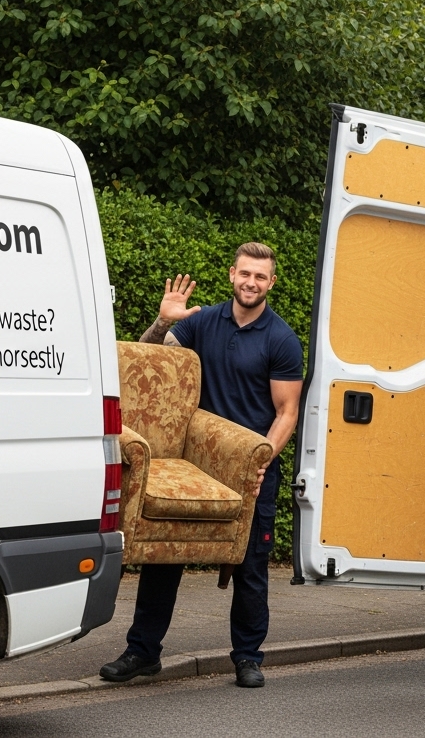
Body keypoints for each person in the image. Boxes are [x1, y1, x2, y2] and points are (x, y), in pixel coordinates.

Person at [100, 242, 304, 688]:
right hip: (195, 464)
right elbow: (146, 362)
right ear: (232, 274)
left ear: (271, 282)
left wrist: (262, 461)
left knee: (251, 569)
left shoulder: (282, 340)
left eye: (261, 277)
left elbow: (287, 412)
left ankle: (248, 658)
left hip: (249, 467)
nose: (251, 282)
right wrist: (163, 321)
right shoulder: (203, 322)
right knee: (165, 558)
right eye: (245, 274)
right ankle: (143, 652)